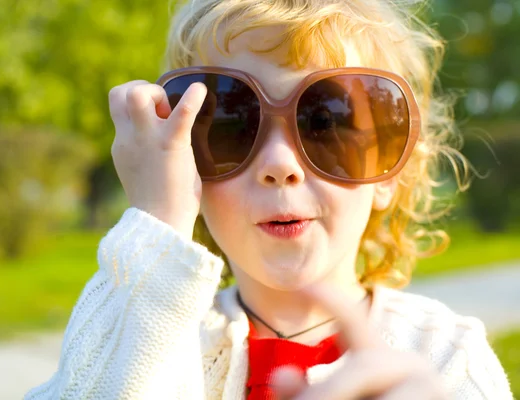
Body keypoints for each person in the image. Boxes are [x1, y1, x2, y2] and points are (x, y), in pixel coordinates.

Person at [25, 0, 513, 399]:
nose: (281, 164)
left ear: (389, 169)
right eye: (231, 126)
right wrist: (159, 223)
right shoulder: (152, 332)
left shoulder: (443, 357)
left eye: (325, 122)